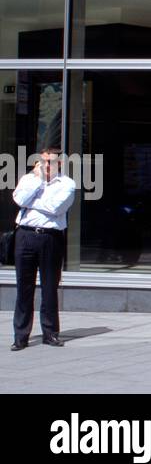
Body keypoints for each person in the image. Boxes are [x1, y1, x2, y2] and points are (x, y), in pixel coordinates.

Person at [11, 148, 77, 350]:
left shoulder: (67, 184)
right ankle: (21, 336)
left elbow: (56, 208)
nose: (47, 165)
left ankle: (50, 333)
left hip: (50, 238)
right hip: (25, 235)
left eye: (51, 161)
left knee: (49, 287)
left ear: (60, 163)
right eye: (44, 161)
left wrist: (33, 202)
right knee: (24, 288)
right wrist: (38, 182)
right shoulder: (29, 179)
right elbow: (19, 200)